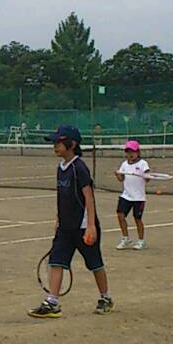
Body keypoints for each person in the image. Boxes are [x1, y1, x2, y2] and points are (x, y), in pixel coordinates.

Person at [28, 125, 113, 318]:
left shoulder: (79, 168)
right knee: (56, 261)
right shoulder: (61, 168)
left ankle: (106, 297)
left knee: (95, 264)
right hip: (65, 228)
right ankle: (52, 302)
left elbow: (89, 197)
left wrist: (90, 226)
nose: (55, 146)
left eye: (58, 143)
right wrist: (58, 220)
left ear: (72, 144)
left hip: (82, 227)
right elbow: (62, 197)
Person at [114, 139, 149, 250]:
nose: (130, 154)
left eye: (133, 152)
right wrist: (117, 174)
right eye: (128, 152)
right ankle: (125, 238)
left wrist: (146, 175)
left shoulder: (143, 164)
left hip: (138, 197)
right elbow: (121, 179)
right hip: (126, 195)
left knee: (137, 218)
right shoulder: (124, 164)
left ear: (138, 152)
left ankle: (141, 241)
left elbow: (147, 178)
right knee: (120, 215)